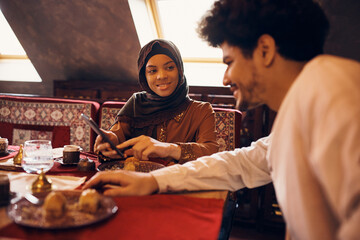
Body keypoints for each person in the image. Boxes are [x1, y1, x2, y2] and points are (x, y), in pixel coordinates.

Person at [84, 0, 360, 239]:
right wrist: (154, 181)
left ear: (265, 49)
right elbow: (240, 163)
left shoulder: (339, 96)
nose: (225, 78)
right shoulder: (304, 104)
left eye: (229, 62)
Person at [95, 39, 219, 165]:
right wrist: (110, 141)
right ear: (144, 76)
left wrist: (167, 149)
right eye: (153, 71)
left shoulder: (200, 110)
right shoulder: (136, 103)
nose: (161, 76)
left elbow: (211, 152)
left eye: (170, 67)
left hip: (177, 181)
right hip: (135, 179)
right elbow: (118, 136)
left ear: (180, 70)